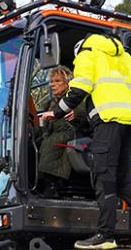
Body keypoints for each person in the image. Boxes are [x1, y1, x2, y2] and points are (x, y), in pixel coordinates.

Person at [39, 33, 131, 250]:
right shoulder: (125, 58)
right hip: (129, 122)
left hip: (107, 122)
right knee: (120, 181)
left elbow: (79, 89)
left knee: (103, 178)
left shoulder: (87, 54)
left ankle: (106, 235)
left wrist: (56, 112)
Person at [34, 66, 90, 196]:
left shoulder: (76, 100)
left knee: (51, 143)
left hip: (73, 138)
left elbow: (84, 112)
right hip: (53, 136)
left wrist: (78, 113)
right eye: (51, 82)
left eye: (57, 81)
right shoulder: (49, 104)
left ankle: (52, 185)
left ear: (68, 82)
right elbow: (43, 128)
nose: (52, 85)